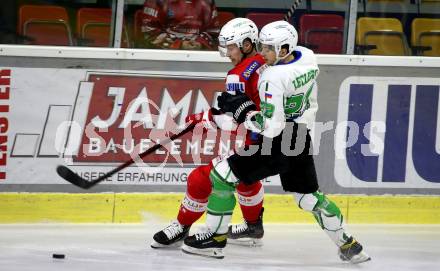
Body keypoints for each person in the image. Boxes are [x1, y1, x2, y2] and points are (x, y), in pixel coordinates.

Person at [182, 20, 371, 264]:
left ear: (283, 49)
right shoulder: (307, 57)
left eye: (269, 49)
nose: (262, 54)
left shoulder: (271, 78)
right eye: (262, 46)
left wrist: (244, 111)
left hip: (277, 142)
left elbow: (270, 126)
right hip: (300, 137)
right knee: (309, 198)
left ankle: (214, 241)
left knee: (221, 176)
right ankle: (349, 245)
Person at [151, 18, 266, 256]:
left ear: (246, 44)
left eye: (232, 47)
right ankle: (253, 227)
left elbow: (239, 120)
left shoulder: (238, 75)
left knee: (201, 178)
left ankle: (185, 227)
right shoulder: (269, 60)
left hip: (262, 143)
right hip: (284, 143)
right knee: (246, 178)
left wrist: (207, 119)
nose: (228, 54)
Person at [140, 0, 220, 50]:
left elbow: (213, 32)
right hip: (164, 58)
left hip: (200, 57)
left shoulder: (207, 2)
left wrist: (200, 43)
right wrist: (179, 45)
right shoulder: (157, 1)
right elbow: (150, 33)